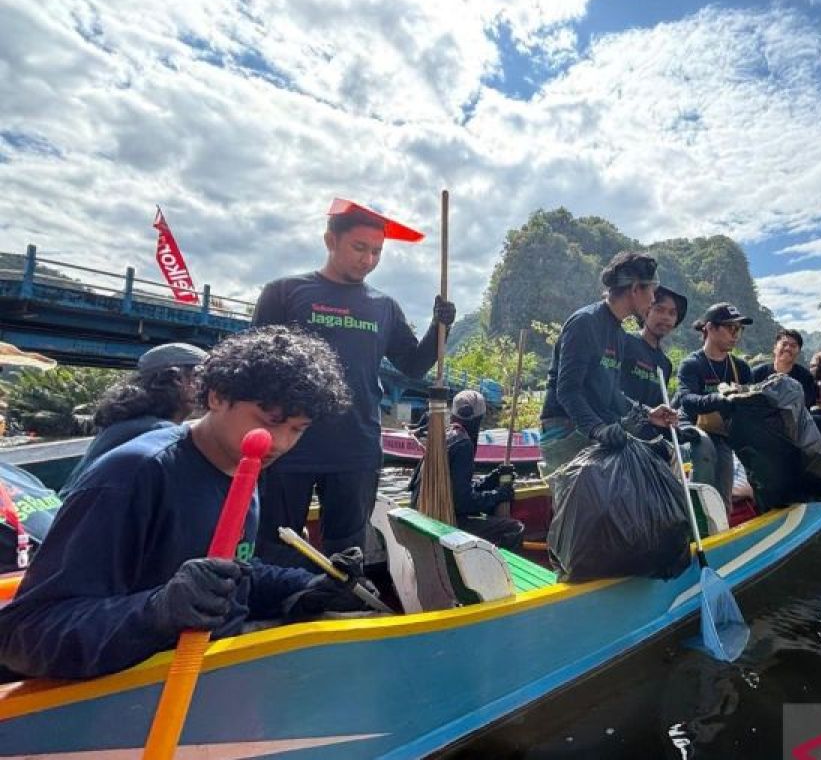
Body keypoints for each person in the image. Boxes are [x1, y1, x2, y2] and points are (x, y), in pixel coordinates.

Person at [0, 327, 371, 680]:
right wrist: (158, 610)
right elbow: (26, 633)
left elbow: (230, 570)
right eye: (269, 421)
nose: (279, 442)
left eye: (297, 429)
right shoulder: (134, 475)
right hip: (135, 698)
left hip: (214, 676)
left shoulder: (243, 467)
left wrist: (306, 586)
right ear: (216, 396)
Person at [252, 198, 456, 567]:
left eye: (377, 252)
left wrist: (439, 326)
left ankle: (337, 613)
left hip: (356, 446)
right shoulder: (284, 293)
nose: (368, 260)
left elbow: (412, 366)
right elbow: (255, 368)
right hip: (287, 446)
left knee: (346, 552)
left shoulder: (384, 306)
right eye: (359, 248)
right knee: (275, 546)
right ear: (330, 241)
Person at [539, 251, 678, 473]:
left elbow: (613, 393)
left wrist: (648, 413)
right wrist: (598, 429)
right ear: (634, 289)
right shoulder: (585, 323)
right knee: (585, 504)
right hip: (566, 431)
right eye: (651, 291)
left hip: (592, 429)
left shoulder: (618, 333)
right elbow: (567, 391)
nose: (653, 300)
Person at [61, 342, 209, 493]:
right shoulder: (159, 434)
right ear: (177, 380)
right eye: (201, 379)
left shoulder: (127, 425)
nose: (208, 390)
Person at [410, 391, 524, 551]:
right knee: (514, 528)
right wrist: (499, 494)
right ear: (478, 420)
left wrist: (491, 480)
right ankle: (496, 574)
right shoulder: (464, 445)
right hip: (442, 523)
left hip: (424, 516)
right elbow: (463, 502)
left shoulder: (443, 437)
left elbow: (455, 490)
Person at [675, 303, 755, 510]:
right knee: (704, 448)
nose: (736, 334)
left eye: (739, 329)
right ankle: (693, 515)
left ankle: (720, 529)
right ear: (710, 328)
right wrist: (719, 399)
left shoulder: (741, 368)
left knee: (723, 495)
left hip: (722, 435)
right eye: (731, 328)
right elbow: (687, 400)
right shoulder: (692, 364)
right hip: (690, 430)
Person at [620, 284, 688, 439]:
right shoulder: (625, 342)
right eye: (659, 309)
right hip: (617, 430)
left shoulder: (665, 364)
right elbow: (607, 390)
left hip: (646, 439)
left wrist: (668, 418)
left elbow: (657, 406)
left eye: (672, 313)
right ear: (646, 311)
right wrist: (645, 412)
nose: (666, 317)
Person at [751, 328, 821, 438]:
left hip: (793, 424)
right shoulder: (756, 373)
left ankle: (803, 454)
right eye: (784, 344)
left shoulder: (805, 377)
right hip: (763, 423)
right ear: (775, 348)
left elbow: (804, 406)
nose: (788, 348)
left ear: (798, 351)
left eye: (793, 346)